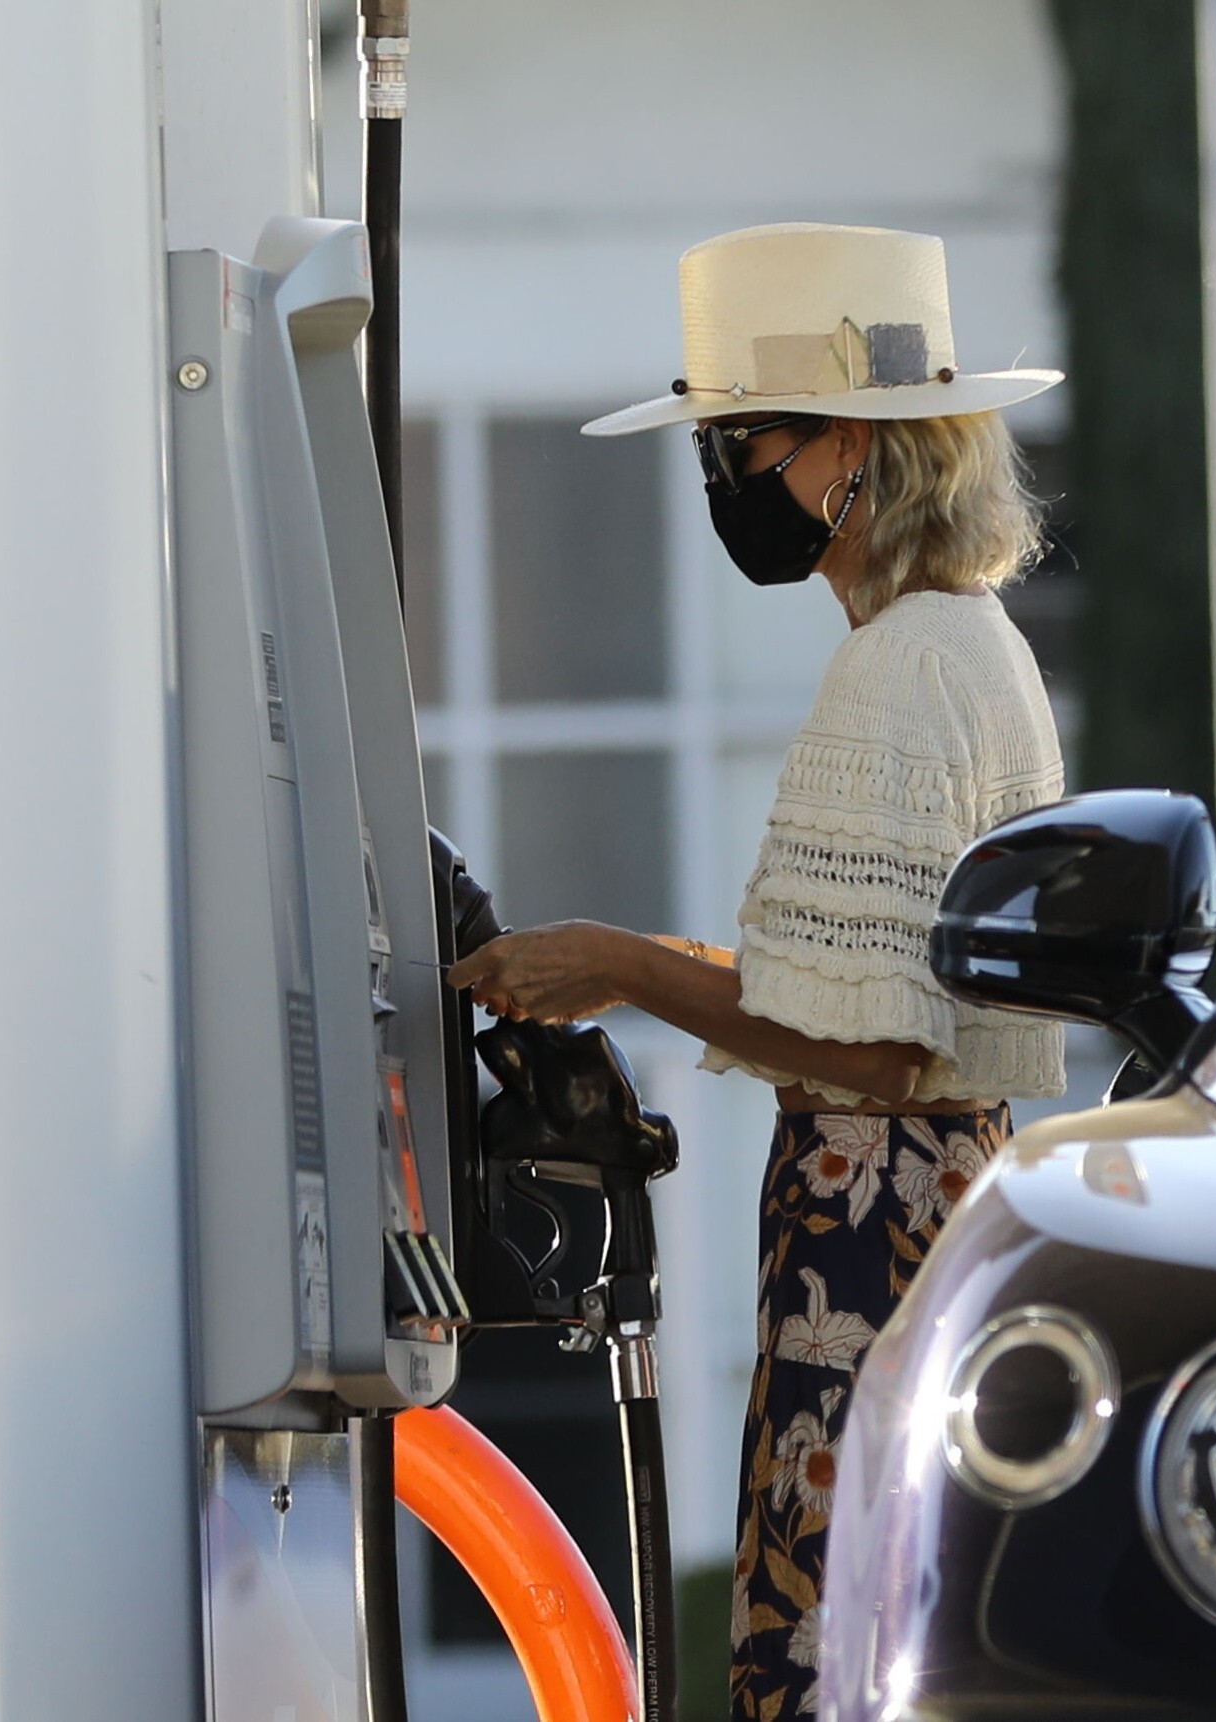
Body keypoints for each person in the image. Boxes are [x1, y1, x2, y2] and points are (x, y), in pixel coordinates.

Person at [448, 222, 1068, 1721]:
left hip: (876, 1232)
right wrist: (628, 969)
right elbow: (874, 992)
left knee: (838, 1657)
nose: (724, 478)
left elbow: (879, 1054)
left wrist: (618, 960)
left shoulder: (906, 662)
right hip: (928, 1214)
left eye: (744, 442)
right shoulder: (961, 641)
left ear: (856, 446)